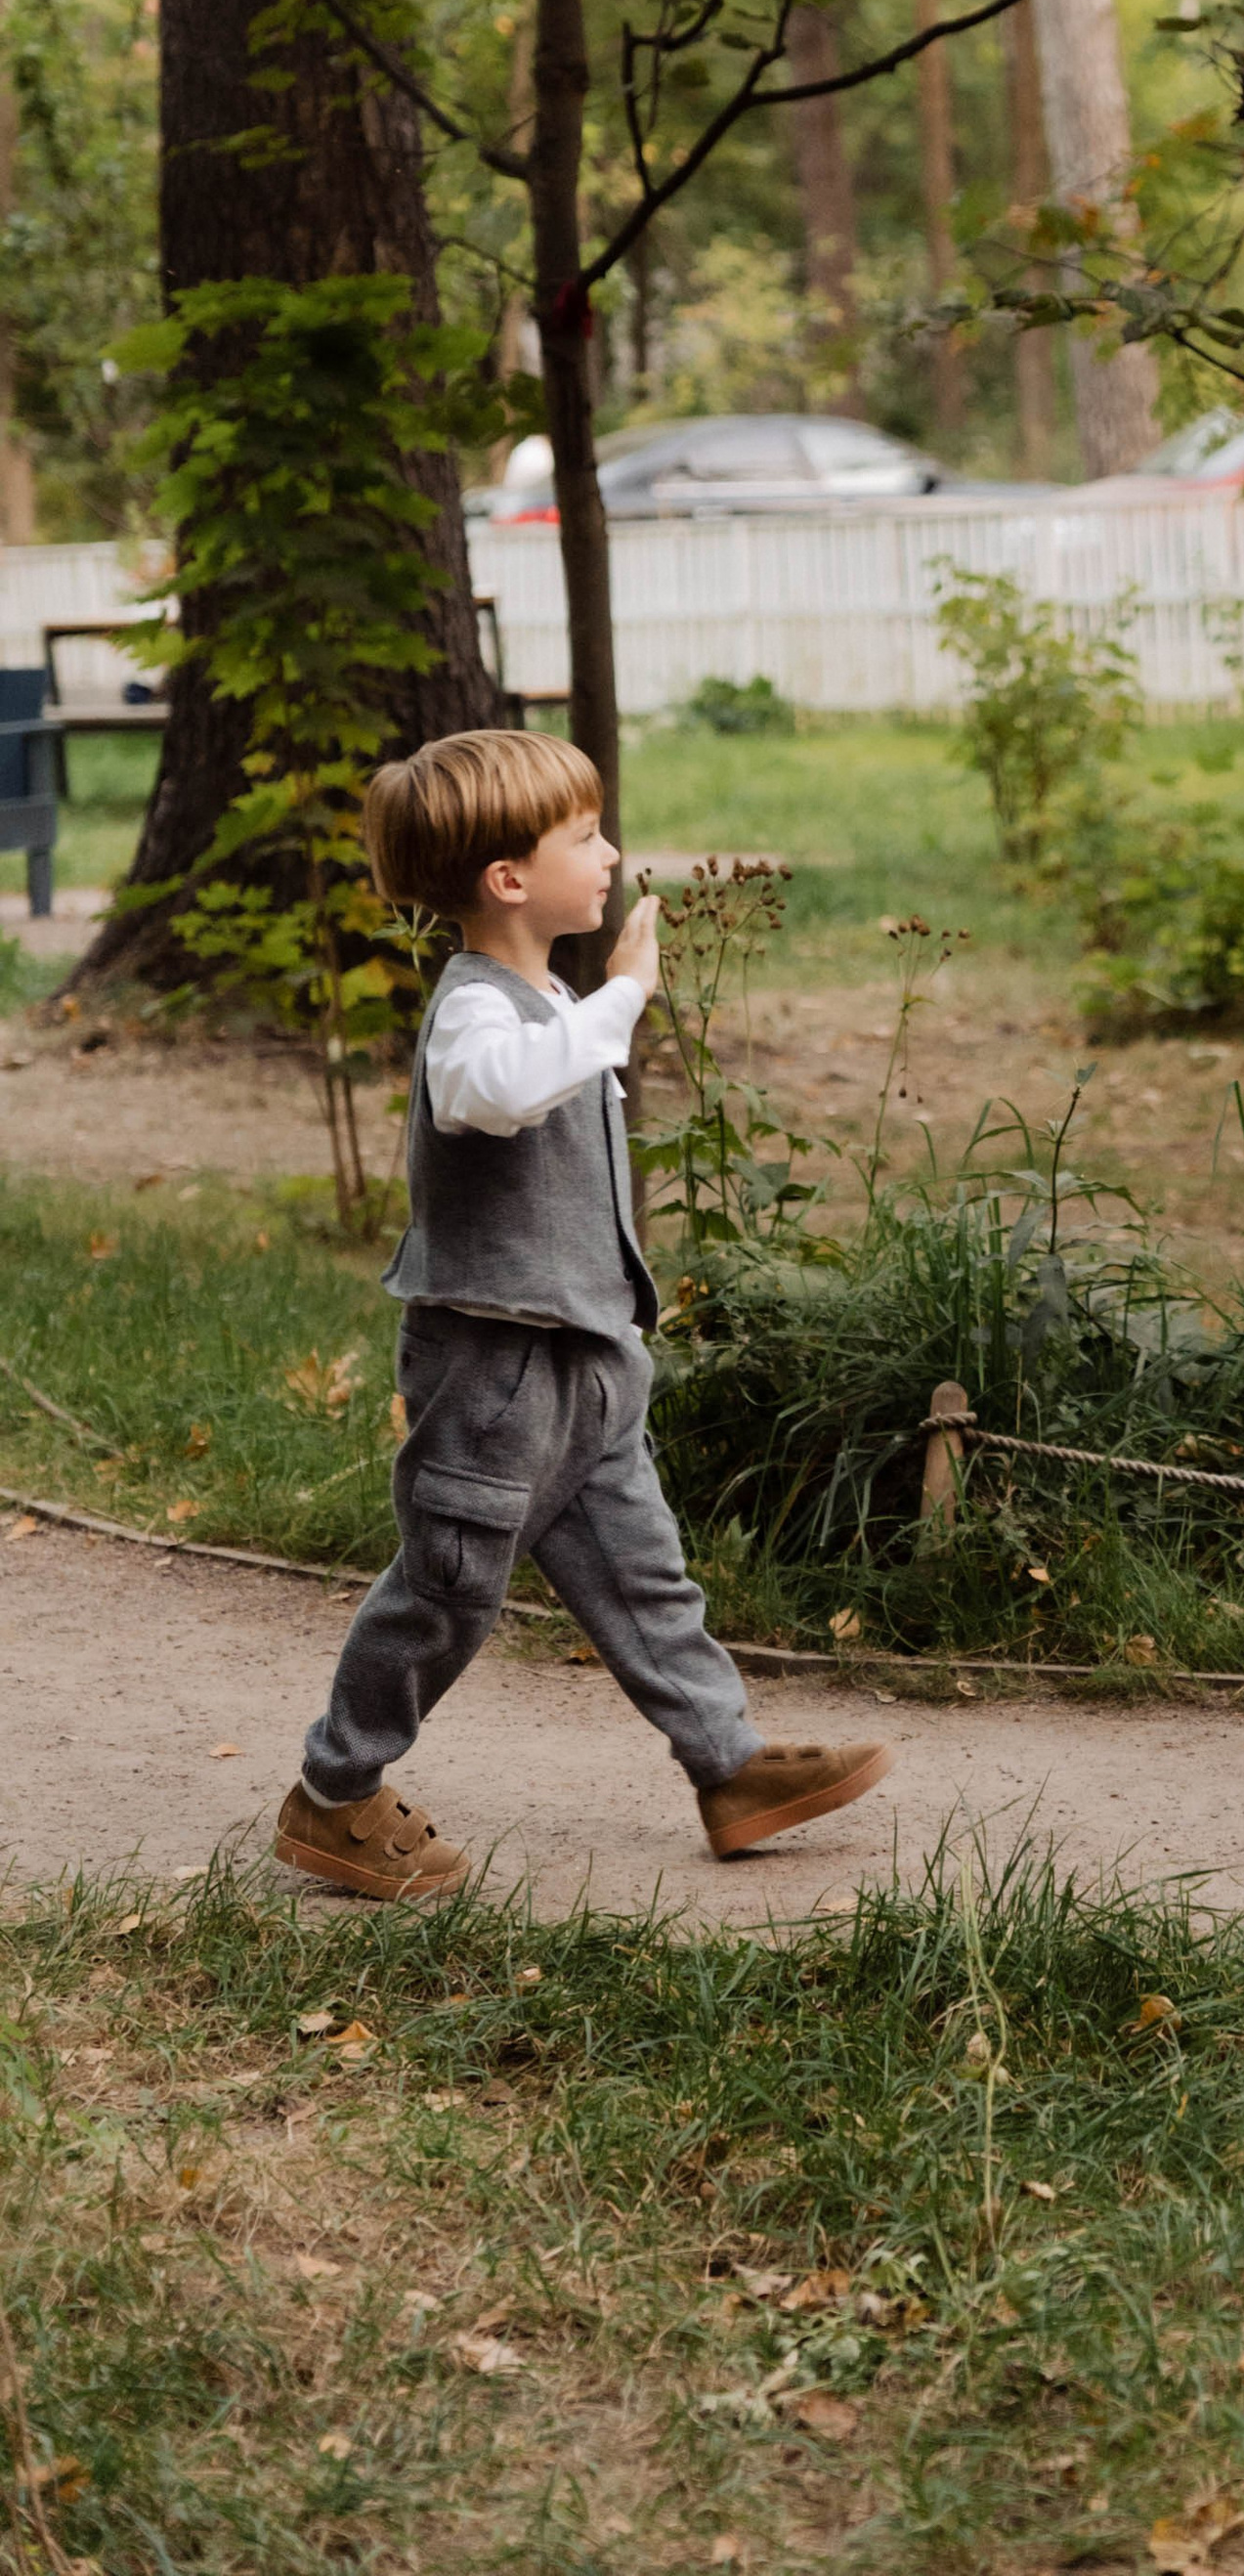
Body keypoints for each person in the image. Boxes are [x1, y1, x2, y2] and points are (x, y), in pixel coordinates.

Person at [273, 731, 890, 1901]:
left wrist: (598, 1003)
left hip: (588, 1357)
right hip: (494, 1370)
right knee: (446, 1590)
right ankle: (335, 1794)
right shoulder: (474, 1011)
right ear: (509, 880)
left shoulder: (549, 996)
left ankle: (731, 1767)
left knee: (646, 1575)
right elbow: (498, 1092)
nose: (608, 856)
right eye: (583, 838)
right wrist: (627, 996)